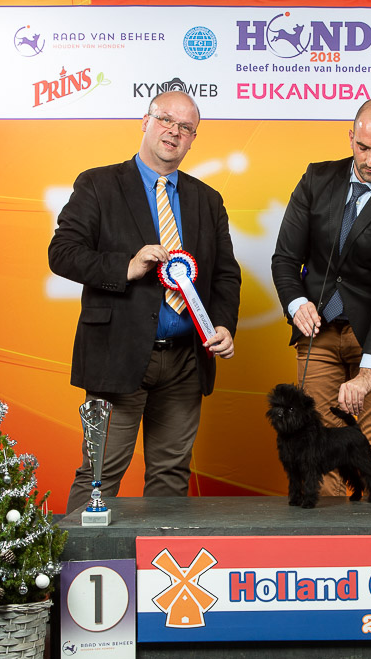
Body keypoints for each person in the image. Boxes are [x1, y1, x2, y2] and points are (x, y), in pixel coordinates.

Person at [49, 91, 241, 513]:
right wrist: (127, 266)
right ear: (145, 121)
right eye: (166, 119)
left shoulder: (208, 200)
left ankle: (163, 559)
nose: (174, 131)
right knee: (99, 475)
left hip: (186, 360)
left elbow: (225, 274)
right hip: (117, 355)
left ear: (193, 139)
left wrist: (223, 324)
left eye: (186, 127)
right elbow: (61, 253)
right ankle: (80, 558)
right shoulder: (98, 184)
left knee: (171, 475)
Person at [271, 98, 371, 497]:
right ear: (351, 137)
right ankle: (329, 539)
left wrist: (369, 372)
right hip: (317, 333)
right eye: (363, 147)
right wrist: (296, 303)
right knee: (314, 454)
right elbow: (285, 258)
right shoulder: (315, 179)